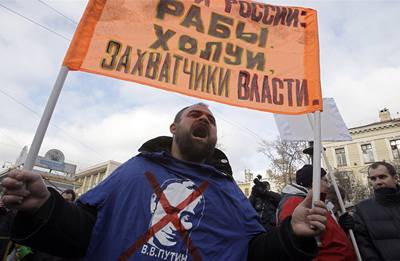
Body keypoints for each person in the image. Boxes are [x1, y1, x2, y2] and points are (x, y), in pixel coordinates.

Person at [1, 103, 328, 261]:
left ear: (214, 136)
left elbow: (253, 253)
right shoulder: (134, 170)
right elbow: (87, 232)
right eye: (195, 115)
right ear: (174, 128)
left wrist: (291, 235)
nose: (204, 119)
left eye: (211, 120)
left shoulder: (228, 191)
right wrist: (44, 208)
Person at [277, 164, 355, 261]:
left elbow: (324, 235)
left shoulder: (314, 201)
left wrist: (342, 227)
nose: (328, 185)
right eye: (325, 180)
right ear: (313, 182)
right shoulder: (295, 202)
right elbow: (297, 244)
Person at [353, 161, 400, 260]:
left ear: (395, 178)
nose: (378, 182)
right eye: (373, 179)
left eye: (382, 177)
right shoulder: (362, 209)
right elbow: (365, 246)